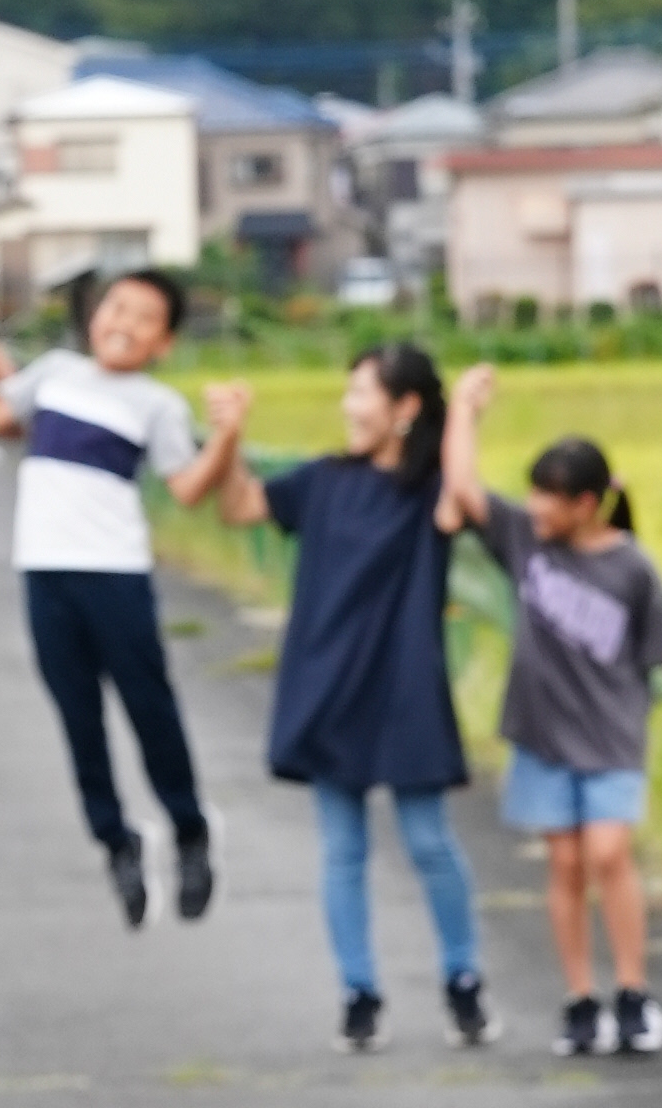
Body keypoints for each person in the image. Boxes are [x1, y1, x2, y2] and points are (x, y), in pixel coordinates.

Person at [211, 341, 495, 1053]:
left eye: (362, 393)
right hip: (327, 684)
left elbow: (464, 495)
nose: (348, 406)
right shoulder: (324, 481)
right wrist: (231, 436)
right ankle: (358, 992)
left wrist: (464, 412)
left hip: (404, 687)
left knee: (429, 841)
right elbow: (240, 506)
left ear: (405, 408)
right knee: (343, 849)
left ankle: (462, 979)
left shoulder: (428, 493)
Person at [0, 265, 237, 926]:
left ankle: (189, 828)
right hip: (45, 574)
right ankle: (115, 841)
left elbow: (188, 488)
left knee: (149, 709)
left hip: (116, 576)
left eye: (145, 318)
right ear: (96, 313)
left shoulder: (158, 404)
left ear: (164, 342)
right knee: (78, 719)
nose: (125, 324)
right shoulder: (54, 374)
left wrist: (227, 436)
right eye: (118, 307)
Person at [444, 372, 662, 1058]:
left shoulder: (631, 566)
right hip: (542, 734)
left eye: (552, 497)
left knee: (609, 854)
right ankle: (579, 999)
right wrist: (464, 411)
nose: (538, 507)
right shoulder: (525, 540)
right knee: (565, 865)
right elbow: (463, 489)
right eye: (534, 493)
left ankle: (632, 992)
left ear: (588, 504)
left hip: (611, 732)